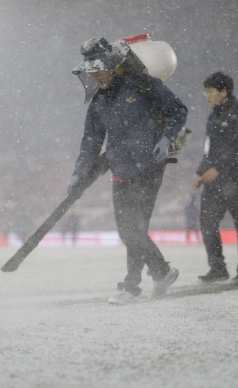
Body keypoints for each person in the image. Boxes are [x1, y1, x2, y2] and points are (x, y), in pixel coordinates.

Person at [69, 37, 188, 304]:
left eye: (99, 72)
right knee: (129, 232)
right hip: (120, 171)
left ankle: (131, 287)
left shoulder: (143, 85)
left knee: (134, 229)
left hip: (149, 168)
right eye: (91, 74)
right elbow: (90, 143)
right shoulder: (98, 104)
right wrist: (79, 173)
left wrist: (168, 138)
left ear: (112, 67)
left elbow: (178, 110)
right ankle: (163, 271)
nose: (96, 78)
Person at [193, 72, 238, 286]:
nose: (207, 96)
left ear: (224, 92)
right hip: (215, 182)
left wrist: (219, 168)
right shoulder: (213, 117)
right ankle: (218, 268)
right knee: (207, 223)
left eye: (210, 91)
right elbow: (208, 149)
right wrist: (200, 172)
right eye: (206, 91)